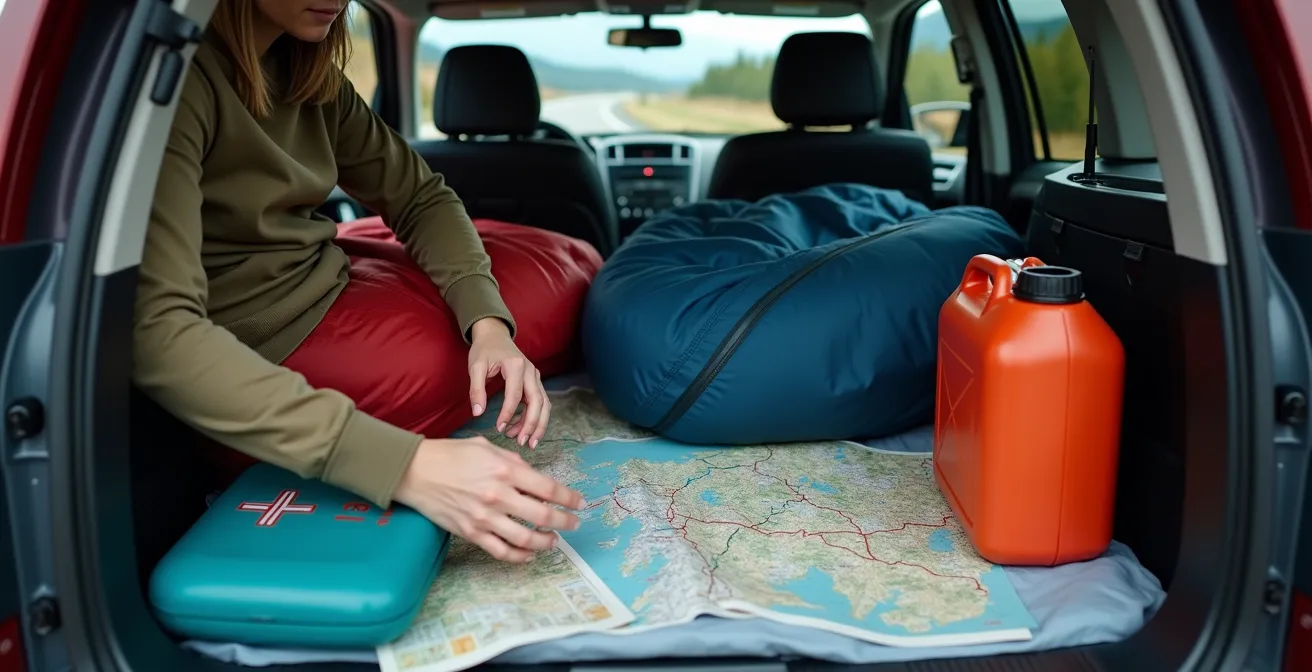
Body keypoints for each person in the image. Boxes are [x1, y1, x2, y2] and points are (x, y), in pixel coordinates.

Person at [132, 0, 584, 564]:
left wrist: (489, 325)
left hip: (333, 265)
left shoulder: (305, 65)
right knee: (573, 271)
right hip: (265, 343)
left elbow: (419, 195)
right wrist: (407, 466)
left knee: (541, 258)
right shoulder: (178, 80)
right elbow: (160, 334)